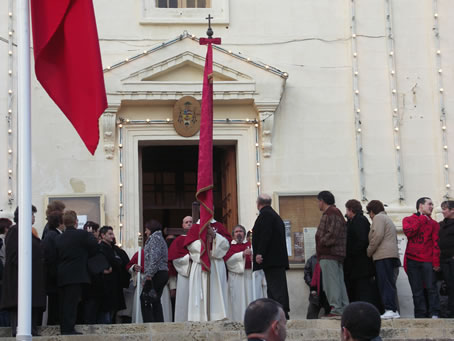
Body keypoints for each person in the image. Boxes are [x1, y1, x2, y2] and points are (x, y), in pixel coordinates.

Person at [1, 205, 46, 337]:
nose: (33, 217)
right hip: (19, 281)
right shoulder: (16, 231)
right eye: (32, 214)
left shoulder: (27, 231)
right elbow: (15, 255)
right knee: (20, 310)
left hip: (30, 280)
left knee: (30, 309)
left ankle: (31, 329)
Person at [55, 210, 98, 335]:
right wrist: (90, 234)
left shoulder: (59, 237)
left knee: (64, 303)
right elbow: (94, 248)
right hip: (76, 274)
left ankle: (65, 327)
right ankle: (68, 329)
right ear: (76, 222)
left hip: (62, 273)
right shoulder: (83, 235)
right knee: (72, 303)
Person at [184, 217, 231, 321]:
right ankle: (198, 317)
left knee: (217, 290)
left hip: (216, 264)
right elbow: (190, 245)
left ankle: (218, 316)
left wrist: (215, 236)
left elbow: (227, 244)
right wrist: (205, 245)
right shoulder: (195, 227)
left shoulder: (219, 226)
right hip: (200, 263)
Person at [252, 194, 290, 319]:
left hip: (272, 260)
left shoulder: (266, 215)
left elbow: (265, 234)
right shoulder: (273, 214)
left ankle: (281, 313)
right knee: (274, 287)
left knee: (276, 288)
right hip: (275, 259)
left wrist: (260, 253)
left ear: (259, 204)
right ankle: (276, 313)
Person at [402, 197, 440, 318]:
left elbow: (436, 243)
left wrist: (436, 262)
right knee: (417, 291)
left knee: (431, 288)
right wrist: (422, 219)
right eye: (429, 204)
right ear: (421, 206)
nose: (432, 207)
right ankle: (420, 315)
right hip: (412, 260)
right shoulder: (408, 219)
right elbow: (409, 232)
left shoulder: (434, 224)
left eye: (432, 204)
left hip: (427, 260)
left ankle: (434, 313)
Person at [315, 191, 349, 318]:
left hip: (329, 253)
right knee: (338, 281)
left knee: (331, 283)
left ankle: (336, 308)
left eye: (318, 201)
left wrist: (321, 242)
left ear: (322, 201)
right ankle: (343, 307)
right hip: (334, 254)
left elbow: (332, 233)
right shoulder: (335, 212)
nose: (318, 204)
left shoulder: (331, 213)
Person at [366, 200, 400, 319]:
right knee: (389, 283)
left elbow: (377, 236)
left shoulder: (378, 218)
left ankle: (390, 309)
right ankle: (392, 309)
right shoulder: (386, 218)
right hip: (390, 255)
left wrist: (369, 251)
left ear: (371, 211)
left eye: (368, 213)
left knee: (385, 282)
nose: (369, 216)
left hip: (383, 255)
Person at [344, 200, 381, 309]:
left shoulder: (360, 220)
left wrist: (351, 252)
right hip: (356, 265)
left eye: (347, 209)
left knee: (362, 291)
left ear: (351, 210)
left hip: (360, 264)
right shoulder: (354, 221)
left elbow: (362, 240)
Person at [225, 224, 253, 321]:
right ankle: (237, 320)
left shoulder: (250, 245)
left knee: (249, 298)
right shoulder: (229, 246)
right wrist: (242, 254)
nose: (238, 233)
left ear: (244, 234)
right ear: (233, 235)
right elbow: (228, 260)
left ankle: (250, 320)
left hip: (249, 275)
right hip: (235, 277)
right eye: (236, 232)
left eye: (240, 231)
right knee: (237, 301)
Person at [42, 210, 65, 325]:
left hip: (54, 277)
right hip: (54, 279)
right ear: (60, 222)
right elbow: (51, 258)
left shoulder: (53, 235)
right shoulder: (53, 236)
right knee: (54, 306)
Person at [167, 216, 192, 322]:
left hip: (199, 273)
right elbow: (175, 260)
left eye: (191, 222)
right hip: (184, 274)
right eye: (186, 222)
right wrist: (188, 258)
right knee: (184, 299)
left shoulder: (199, 238)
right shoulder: (178, 241)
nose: (189, 224)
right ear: (182, 225)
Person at [143, 219, 169, 322]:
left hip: (157, 273)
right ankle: (158, 323)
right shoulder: (159, 238)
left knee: (145, 299)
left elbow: (155, 257)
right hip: (160, 272)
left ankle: (149, 323)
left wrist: (149, 275)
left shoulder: (155, 239)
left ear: (151, 229)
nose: (145, 232)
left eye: (146, 229)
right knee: (155, 300)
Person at [439, 200, 454, 318]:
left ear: (452, 210)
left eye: (444, 209)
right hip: (444, 259)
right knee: (448, 285)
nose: (442, 211)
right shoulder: (441, 224)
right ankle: (449, 310)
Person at [304, 253, 330, 319]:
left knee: (330, 316)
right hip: (315, 294)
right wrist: (312, 285)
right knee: (311, 316)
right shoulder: (312, 259)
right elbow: (307, 274)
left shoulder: (330, 259)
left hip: (328, 294)